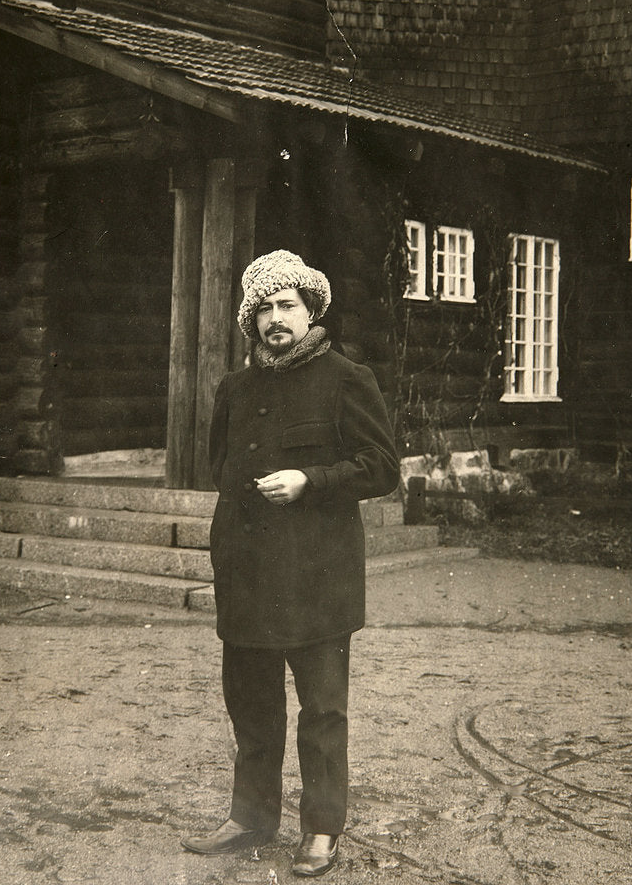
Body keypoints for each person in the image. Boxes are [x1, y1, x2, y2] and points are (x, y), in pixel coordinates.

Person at [181, 250, 400, 876]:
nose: (277, 318)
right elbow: (221, 469)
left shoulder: (346, 377)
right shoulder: (235, 386)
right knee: (251, 707)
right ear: (252, 321)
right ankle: (250, 817)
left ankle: (323, 830)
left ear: (311, 313)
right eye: (265, 309)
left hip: (317, 577)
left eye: (288, 306)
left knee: (322, 713)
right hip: (248, 575)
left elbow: (382, 467)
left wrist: (312, 478)